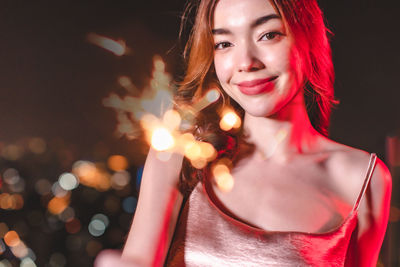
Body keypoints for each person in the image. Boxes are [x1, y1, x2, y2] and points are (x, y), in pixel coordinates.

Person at [95, 0, 392, 266]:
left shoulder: (363, 178)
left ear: (308, 38)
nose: (246, 63)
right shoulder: (181, 153)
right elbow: (138, 260)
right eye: (224, 43)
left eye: (268, 35)